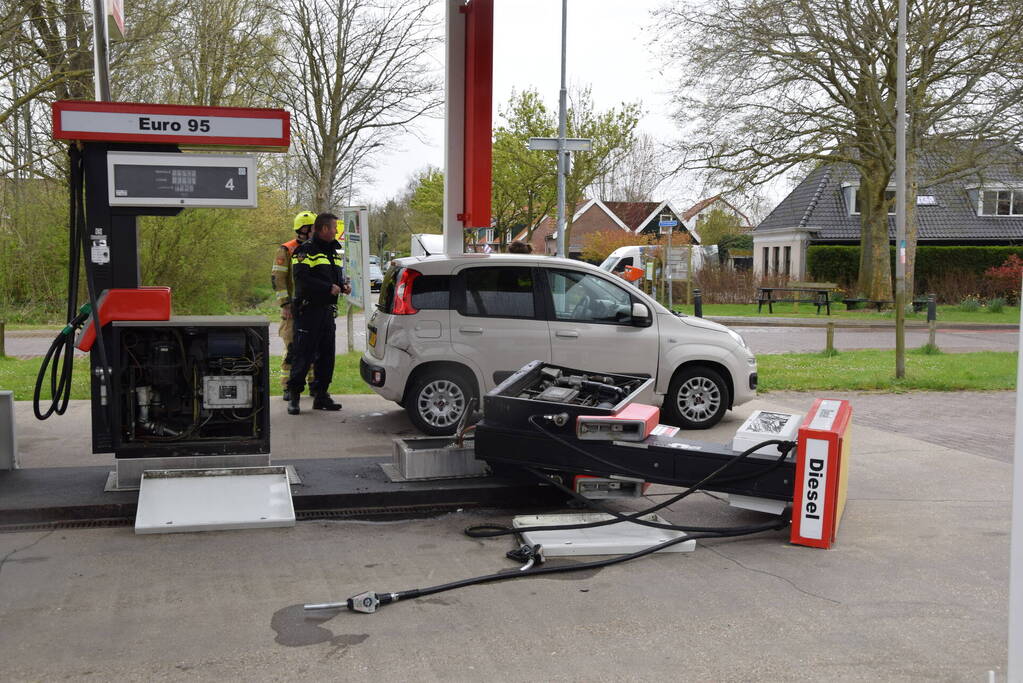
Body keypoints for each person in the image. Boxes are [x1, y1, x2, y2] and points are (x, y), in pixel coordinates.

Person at [286, 212, 350, 415]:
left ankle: (321, 395)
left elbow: (334, 276)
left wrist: (342, 285)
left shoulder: (334, 251)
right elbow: (301, 280)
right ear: (323, 229)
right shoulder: (304, 251)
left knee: (326, 356)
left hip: (327, 312)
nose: (335, 231)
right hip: (308, 311)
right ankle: (294, 397)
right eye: (333, 228)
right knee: (303, 354)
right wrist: (326, 288)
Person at [272, 211, 316, 400]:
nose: (315, 231)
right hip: (292, 308)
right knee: (292, 348)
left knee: (314, 348)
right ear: (303, 229)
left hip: (312, 307)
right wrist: (285, 304)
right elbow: (278, 278)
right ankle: (288, 387)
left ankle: (314, 384)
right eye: (312, 228)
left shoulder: (317, 248)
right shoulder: (287, 249)